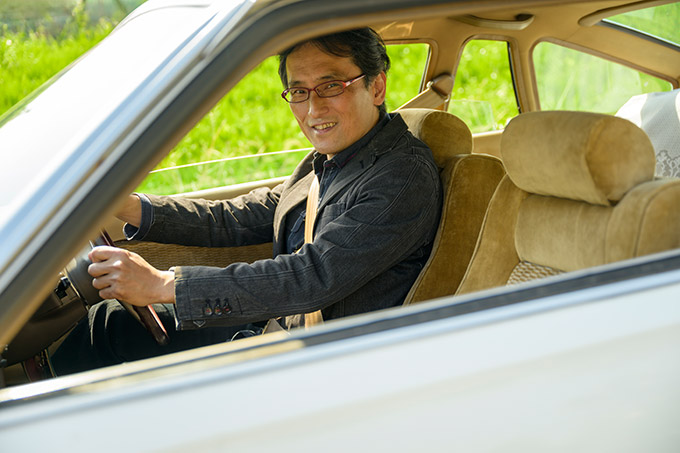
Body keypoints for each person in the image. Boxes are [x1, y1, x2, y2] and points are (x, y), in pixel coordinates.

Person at [52, 27, 442, 374]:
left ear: (376, 87)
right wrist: (128, 206)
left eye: (331, 86)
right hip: (279, 328)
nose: (313, 109)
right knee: (111, 321)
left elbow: (311, 277)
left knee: (113, 332)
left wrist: (164, 285)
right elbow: (239, 217)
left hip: (322, 363)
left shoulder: (402, 177)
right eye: (299, 92)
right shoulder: (332, 159)